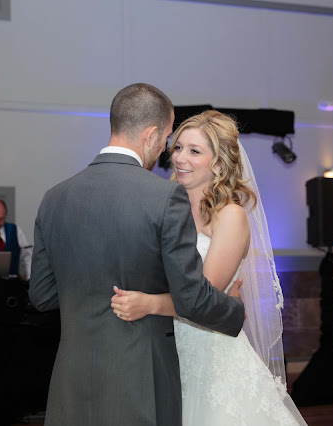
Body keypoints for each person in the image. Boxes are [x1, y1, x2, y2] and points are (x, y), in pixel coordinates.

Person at [28, 83, 245, 426]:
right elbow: (191, 298)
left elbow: (41, 295)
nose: (166, 151)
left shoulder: (54, 197)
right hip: (139, 377)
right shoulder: (164, 197)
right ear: (151, 134)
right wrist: (235, 308)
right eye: (168, 139)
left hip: (71, 378)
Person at [111, 110, 307, 425]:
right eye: (177, 147)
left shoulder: (230, 215)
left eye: (194, 151)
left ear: (217, 163)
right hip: (164, 353)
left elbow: (202, 297)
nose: (179, 158)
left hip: (212, 357)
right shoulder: (162, 208)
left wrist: (146, 303)